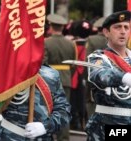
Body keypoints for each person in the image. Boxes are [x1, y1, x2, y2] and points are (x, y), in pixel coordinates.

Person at [86, 10, 131, 141]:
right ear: (106, 32)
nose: (123, 31)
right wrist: (123, 77)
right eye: (117, 27)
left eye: (126, 27)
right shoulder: (98, 57)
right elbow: (100, 75)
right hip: (109, 124)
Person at [0, 65, 71, 141]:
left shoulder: (51, 75)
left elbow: (64, 112)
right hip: (9, 136)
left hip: (42, 137)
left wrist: (45, 126)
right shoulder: (5, 70)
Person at [43, 13, 76, 141]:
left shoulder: (46, 42)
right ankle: (64, 138)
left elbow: (42, 63)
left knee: (47, 110)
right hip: (66, 79)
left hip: (48, 80)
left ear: (50, 26)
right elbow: (73, 64)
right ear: (62, 27)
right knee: (63, 111)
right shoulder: (71, 43)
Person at [85, 17, 107, 119]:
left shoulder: (91, 39)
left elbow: (88, 59)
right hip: (110, 75)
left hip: (95, 75)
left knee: (91, 102)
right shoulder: (113, 40)